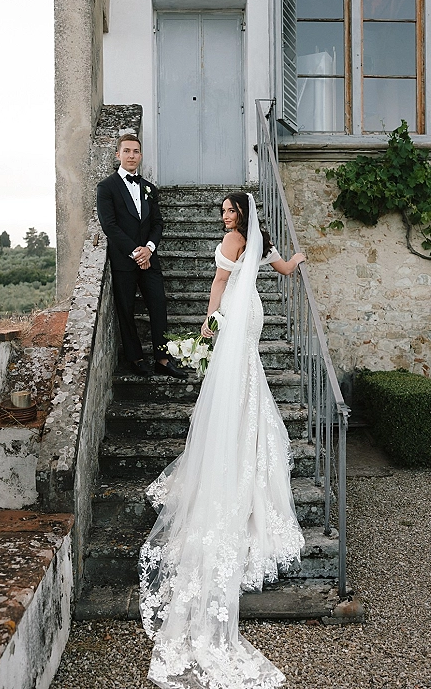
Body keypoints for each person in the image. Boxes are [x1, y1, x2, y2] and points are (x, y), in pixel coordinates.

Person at [139, 191, 306, 689]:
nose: (226, 219)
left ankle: (231, 450)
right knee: (247, 382)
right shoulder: (258, 242)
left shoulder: (233, 242)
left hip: (237, 315)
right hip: (252, 314)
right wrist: (296, 259)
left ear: (242, 216)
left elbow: (216, 282)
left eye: (230, 211)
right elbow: (282, 270)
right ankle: (245, 445)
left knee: (233, 383)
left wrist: (208, 324)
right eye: (223, 214)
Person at [96, 133, 186, 379]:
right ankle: (135, 358)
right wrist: (136, 252)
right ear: (118, 155)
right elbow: (110, 226)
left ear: (140, 155)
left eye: (135, 151)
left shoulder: (149, 188)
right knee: (125, 310)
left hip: (149, 258)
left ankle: (162, 358)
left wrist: (149, 249)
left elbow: (157, 222)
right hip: (125, 260)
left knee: (158, 304)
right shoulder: (106, 187)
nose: (131, 156)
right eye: (127, 151)